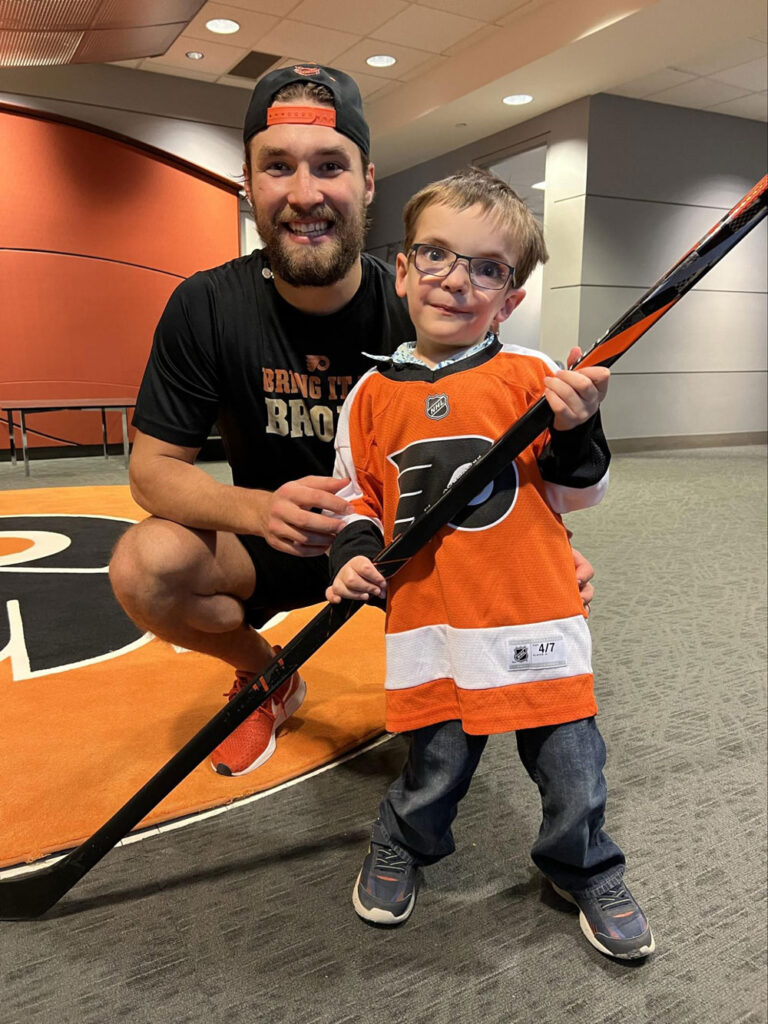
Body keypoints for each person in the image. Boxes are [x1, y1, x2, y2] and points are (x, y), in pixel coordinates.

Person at [109, 64, 596, 780]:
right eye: (278, 167)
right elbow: (151, 471)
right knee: (145, 568)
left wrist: (550, 548)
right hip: (273, 539)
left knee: (528, 669)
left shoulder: (424, 306)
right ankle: (267, 678)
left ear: (367, 182)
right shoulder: (205, 306)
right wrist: (259, 508)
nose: (305, 195)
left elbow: (500, 447)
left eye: (329, 166)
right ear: (248, 183)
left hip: (409, 543)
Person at [325, 167, 655, 961]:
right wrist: (355, 553)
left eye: (487, 268)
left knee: (573, 766)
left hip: (533, 611)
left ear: (509, 300)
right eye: (434, 255)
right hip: (431, 618)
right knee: (435, 763)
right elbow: (354, 499)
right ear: (401, 269)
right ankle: (403, 841)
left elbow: (582, 492)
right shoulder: (369, 394)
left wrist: (579, 428)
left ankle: (583, 867)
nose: (455, 280)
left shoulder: (535, 378)